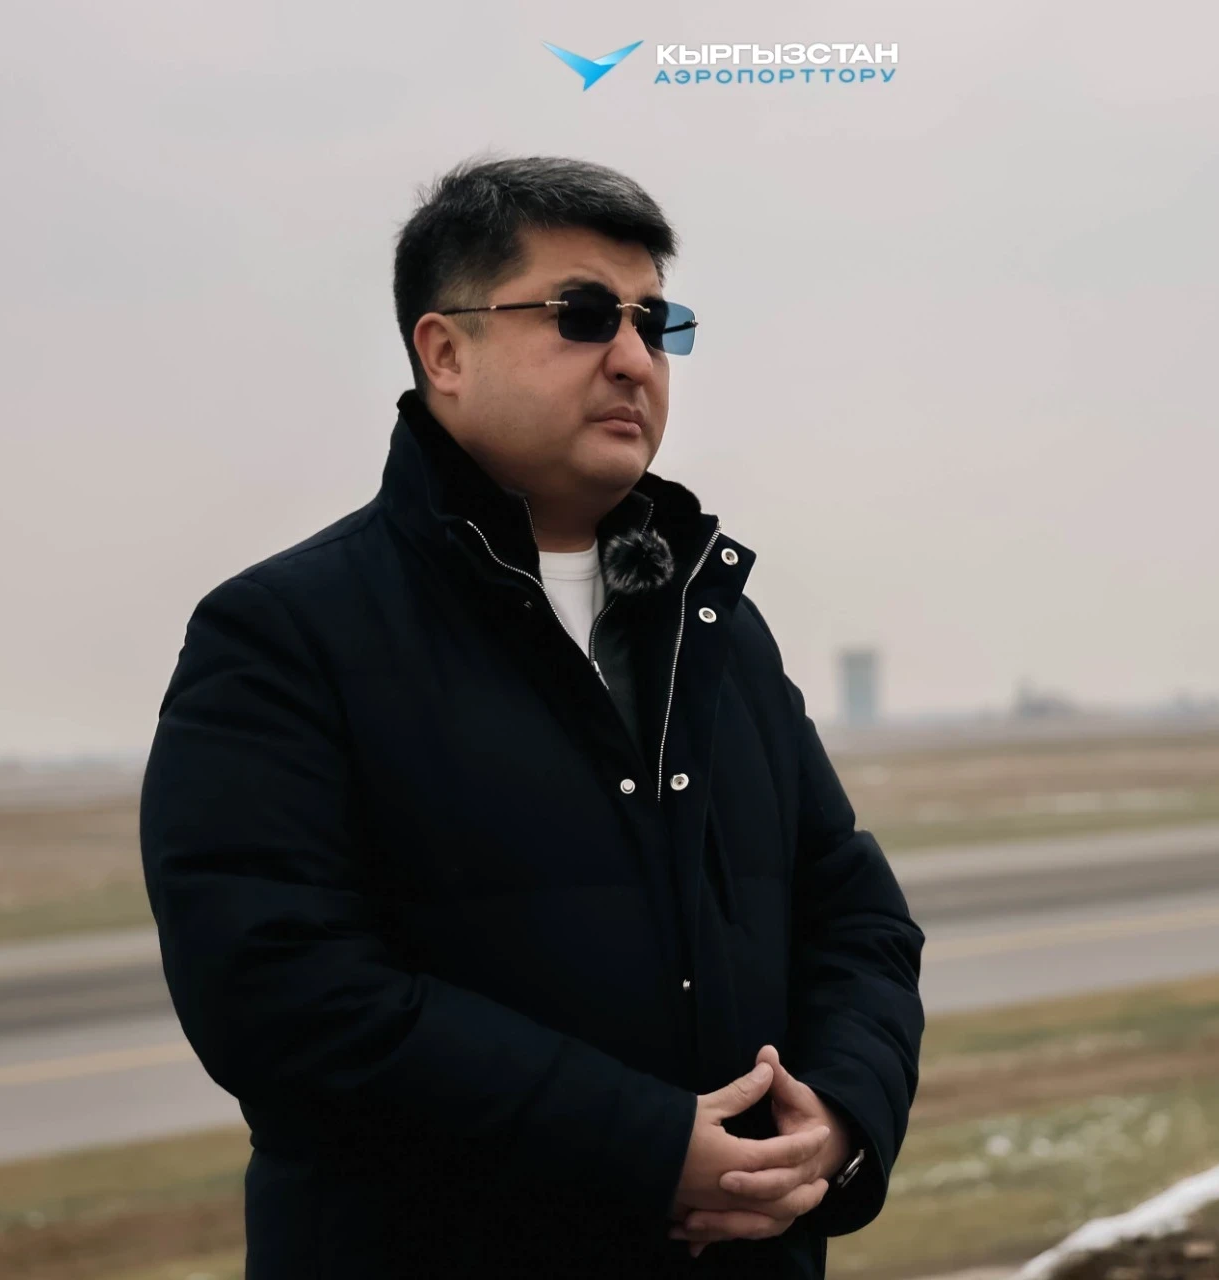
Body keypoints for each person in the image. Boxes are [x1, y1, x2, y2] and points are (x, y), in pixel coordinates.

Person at [139, 154, 925, 1278]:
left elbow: (855, 916)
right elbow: (279, 997)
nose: (633, 356)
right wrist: (643, 1146)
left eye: (656, 321)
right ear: (444, 352)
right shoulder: (286, 635)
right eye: (583, 314)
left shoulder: (713, 626)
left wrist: (841, 1118)